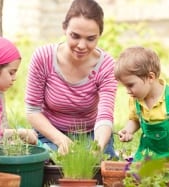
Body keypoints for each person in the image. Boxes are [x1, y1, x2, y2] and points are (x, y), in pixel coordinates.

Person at [25, 0, 118, 158]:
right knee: (50, 162)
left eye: (90, 39)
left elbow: (105, 115)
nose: (81, 45)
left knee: (99, 164)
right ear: (64, 29)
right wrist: (61, 140)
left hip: (91, 135)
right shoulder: (43, 57)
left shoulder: (106, 65)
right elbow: (33, 111)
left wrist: (98, 146)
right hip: (50, 133)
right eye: (75, 36)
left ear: (99, 36)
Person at [115, 46, 169, 162]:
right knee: (135, 177)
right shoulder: (136, 99)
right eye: (124, 86)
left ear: (151, 77)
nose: (127, 90)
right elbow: (134, 119)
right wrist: (128, 130)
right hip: (147, 156)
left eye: (130, 85)